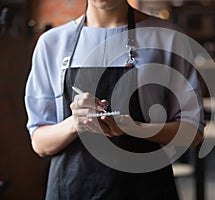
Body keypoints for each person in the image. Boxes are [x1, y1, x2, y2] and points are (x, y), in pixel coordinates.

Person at [24, 0, 205, 199]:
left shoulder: (168, 38)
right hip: (71, 189)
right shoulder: (52, 43)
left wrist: (135, 128)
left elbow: (193, 132)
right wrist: (75, 123)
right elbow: (40, 144)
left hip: (145, 188)